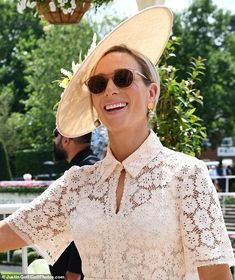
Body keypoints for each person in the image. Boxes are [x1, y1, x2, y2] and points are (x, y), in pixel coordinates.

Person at [0, 6, 234, 280]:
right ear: (94, 102)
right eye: (98, 84)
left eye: (123, 78)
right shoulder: (77, 184)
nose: (110, 89)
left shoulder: (186, 176)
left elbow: (216, 276)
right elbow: (9, 233)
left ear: (152, 93)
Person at [50, 128, 99, 280]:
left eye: (55, 135)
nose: (54, 141)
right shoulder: (84, 166)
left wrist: (74, 271)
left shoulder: (85, 169)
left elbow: (89, 225)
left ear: (65, 139)